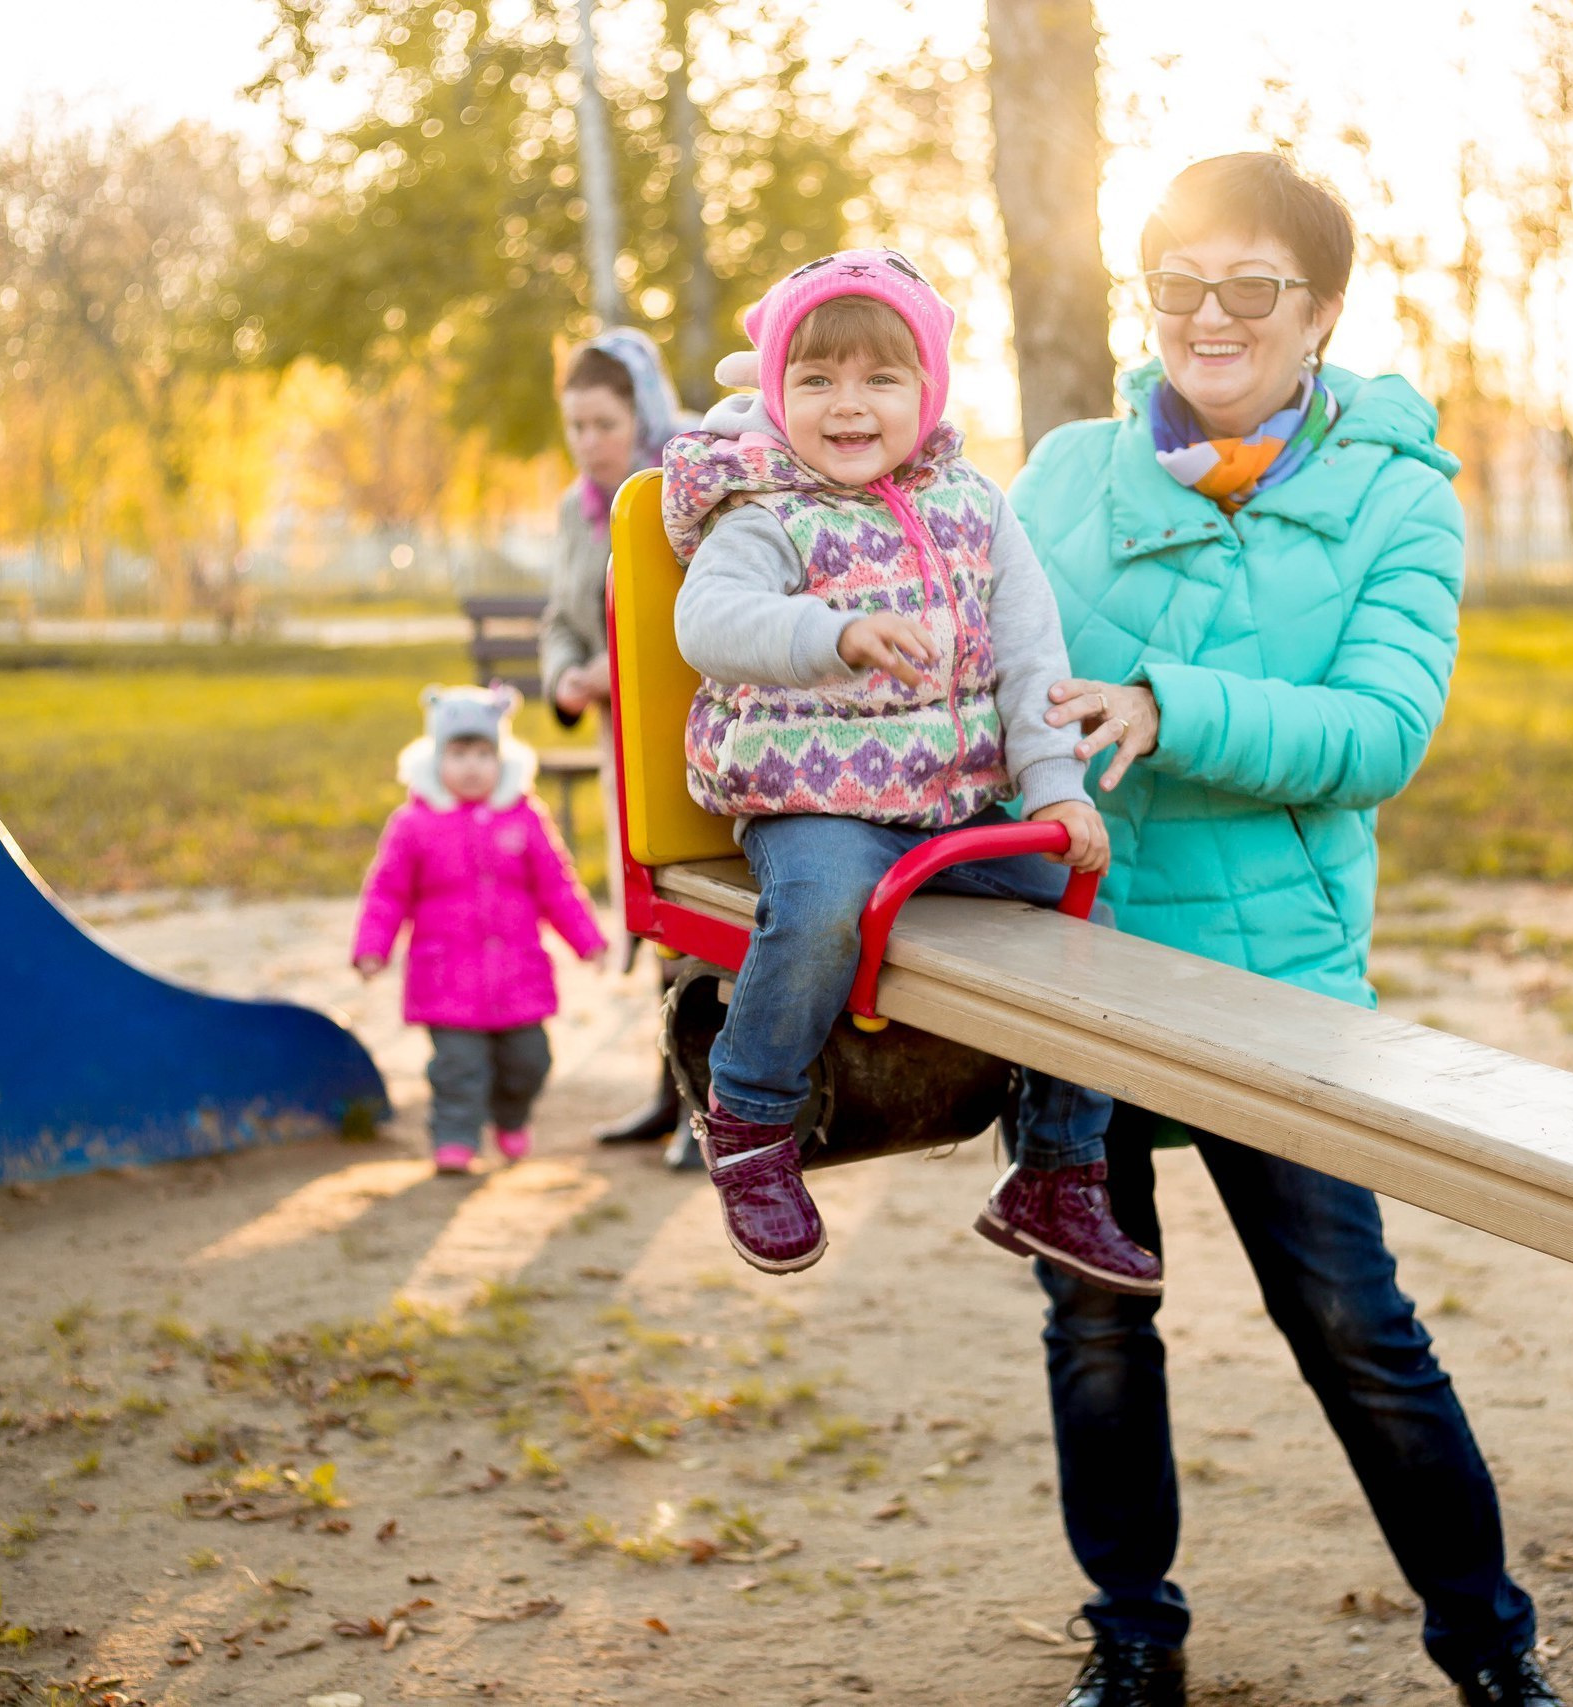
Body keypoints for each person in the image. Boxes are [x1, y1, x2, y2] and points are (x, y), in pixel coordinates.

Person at [1007, 155, 1562, 1707]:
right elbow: (975, 657)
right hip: (1082, 957)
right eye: (1176, 282)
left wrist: (1159, 702)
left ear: (1319, 310)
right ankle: (1133, 1636)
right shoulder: (1059, 475)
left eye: (1250, 286)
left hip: (1278, 973)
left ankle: (1489, 1641)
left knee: (1350, 1320)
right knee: (1099, 1321)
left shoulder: (1395, 497)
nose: (1209, 315)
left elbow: (1378, 728)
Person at [665, 248, 1155, 1293]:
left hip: (944, 807)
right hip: (811, 796)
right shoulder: (761, 507)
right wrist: (829, 635)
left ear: (926, 393)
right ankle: (749, 1118)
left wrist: (1058, 794)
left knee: (1090, 928)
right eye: (817, 379)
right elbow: (707, 622)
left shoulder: (976, 509)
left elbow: (1032, 662)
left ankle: (1056, 1170)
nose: (848, 406)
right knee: (824, 908)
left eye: (880, 379)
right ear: (774, 391)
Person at [352, 685, 608, 1174]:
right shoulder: (414, 824)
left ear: (502, 758)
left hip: (518, 976)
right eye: (459, 753)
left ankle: (511, 1116)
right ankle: (454, 1136)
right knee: (458, 1067)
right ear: (435, 760)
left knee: (530, 1061)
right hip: (446, 976)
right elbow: (386, 893)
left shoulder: (526, 817)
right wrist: (372, 947)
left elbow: (557, 886)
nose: (472, 766)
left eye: (483, 753)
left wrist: (587, 940)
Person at [541, 328, 692, 1147]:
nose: (590, 443)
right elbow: (558, 616)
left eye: (603, 423)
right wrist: (569, 673)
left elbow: (705, 608)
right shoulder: (577, 506)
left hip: (683, 737)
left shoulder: (688, 483)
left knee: (696, 908)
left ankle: (714, 1106)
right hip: (616, 742)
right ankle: (667, 1092)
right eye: (576, 426)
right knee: (651, 909)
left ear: (640, 410)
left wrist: (615, 665)